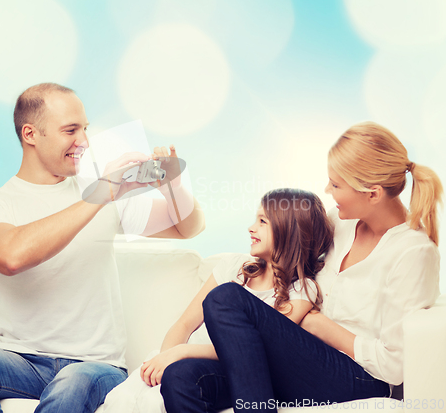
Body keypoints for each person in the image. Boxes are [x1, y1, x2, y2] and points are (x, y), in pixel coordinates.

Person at [0, 83, 205, 413]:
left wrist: (174, 185)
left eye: (85, 128)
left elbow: (189, 227)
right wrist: (101, 193)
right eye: (71, 130)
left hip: (96, 368)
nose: (83, 140)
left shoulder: (104, 194)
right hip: (22, 362)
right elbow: (12, 256)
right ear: (31, 134)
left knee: (71, 384)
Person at [161, 121, 443, 413]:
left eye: (336, 185)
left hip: (358, 377)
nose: (327, 190)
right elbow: (290, 243)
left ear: (372, 194)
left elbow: (393, 366)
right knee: (180, 378)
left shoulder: (413, 252)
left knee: (225, 298)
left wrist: (320, 326)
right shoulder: (339, 223)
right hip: (300, 358)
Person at [103, 188, 334, 413]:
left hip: (227, 371)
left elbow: (252, 351)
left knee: (180, 379)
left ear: (289, 230)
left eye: (263, 221)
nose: (251, 228)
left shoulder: (302, 291)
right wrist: (166, 358)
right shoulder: (234, 267)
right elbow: (184, 324)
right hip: (183, 359)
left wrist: (182, 353)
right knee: (135, 396)